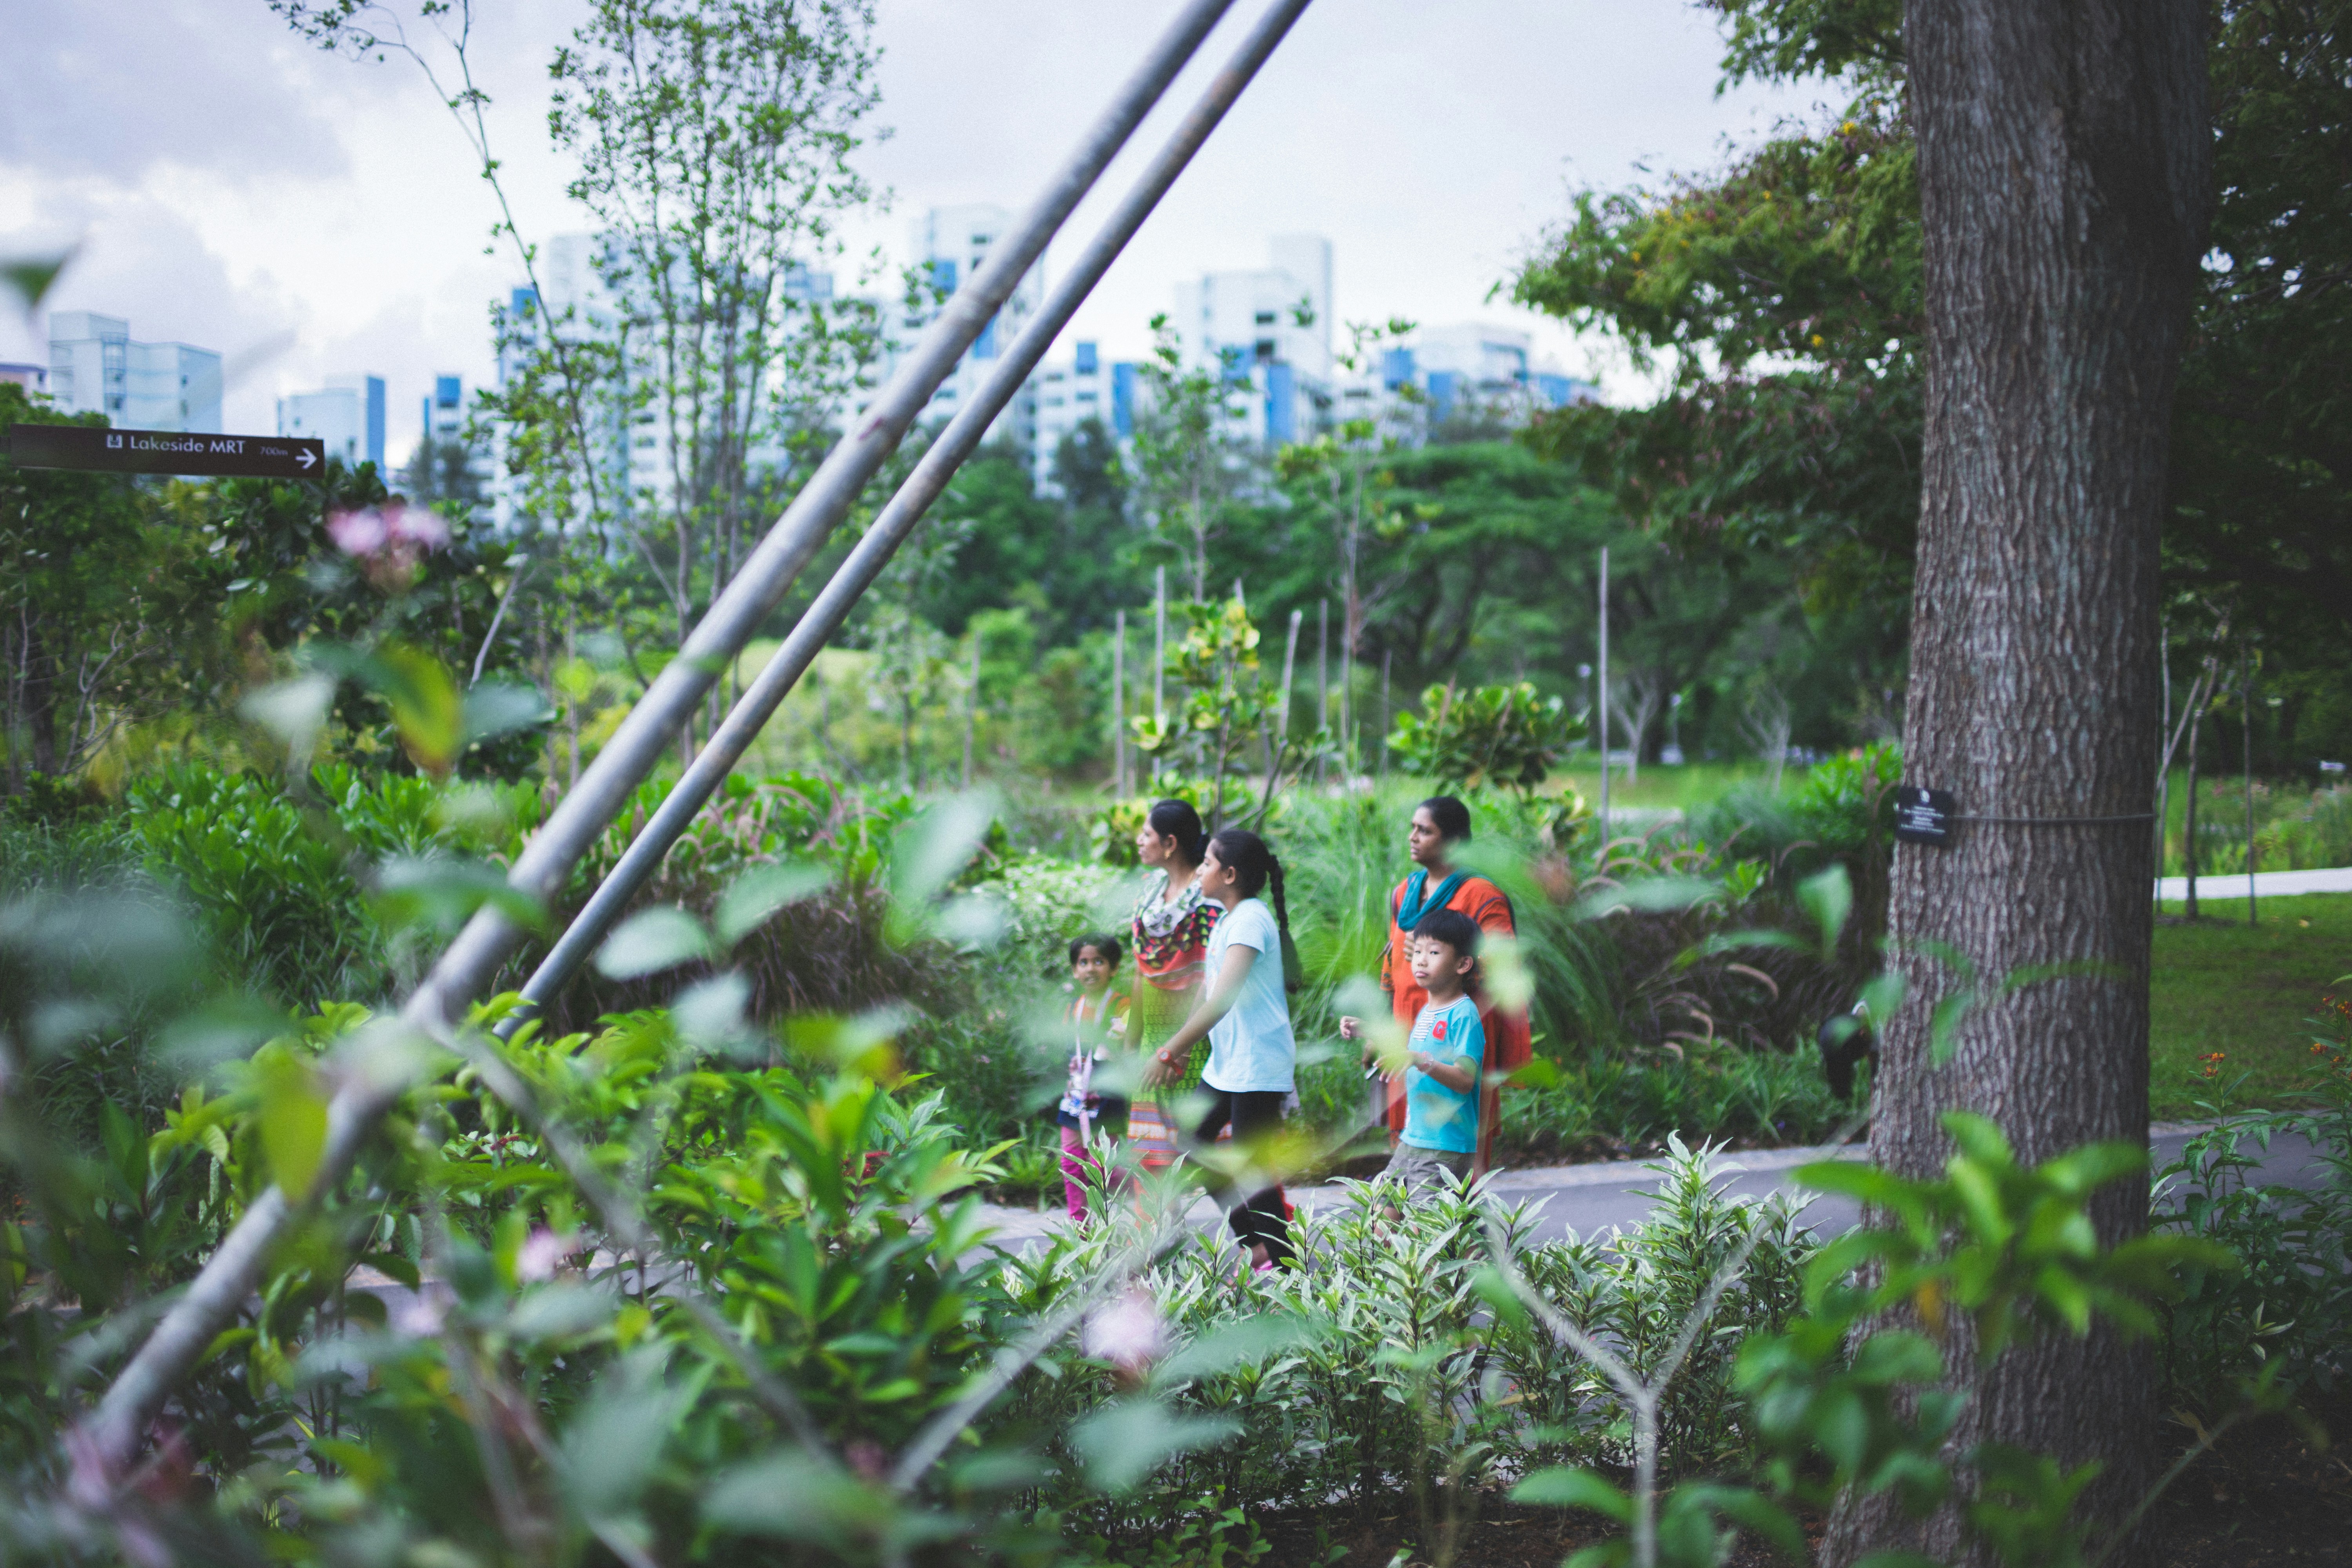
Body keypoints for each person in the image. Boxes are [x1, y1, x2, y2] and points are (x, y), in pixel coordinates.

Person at [1143, 827, 1302, 1271]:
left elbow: (1222, 1000)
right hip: (1229, 1064)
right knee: (1191, 1145)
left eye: (1208, 864)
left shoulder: (1251, 921)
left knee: (1253, 1171)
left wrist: (1166, 1052)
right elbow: (1208, 988)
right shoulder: (1230, 918)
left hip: (1258, 1064)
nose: (1200, 871)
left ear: (1230, 875)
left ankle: (1290, 1272)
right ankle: (1257, 1244)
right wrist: (1181, 1050)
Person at [1377, 796, 1532, 1176]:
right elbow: (1390, 965)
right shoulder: (1404, 892)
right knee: (1410, 1142)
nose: (1413, 837)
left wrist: (1445, 955)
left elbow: (1503, 966)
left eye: (1425, 830)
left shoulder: (1481, 895)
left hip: (1456, 1032)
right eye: (1413, 828)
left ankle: (1462, 1214)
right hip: (1410, 1029)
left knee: (1458, 1152)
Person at [1342, 908, 1486, 1198]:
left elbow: (1465, 1081)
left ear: (1463, 964)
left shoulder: (1464, 1015)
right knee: (1382, 1212)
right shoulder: (1428, 1011)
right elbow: (1411, 1053)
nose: (1421, 959)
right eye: (1418, 950)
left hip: (1445, 1144)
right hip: (1414, 1139)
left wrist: (1421, 1061)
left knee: (1426, 1222)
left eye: (1434, 952)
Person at [1123, 800, 1221, 1176]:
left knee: (1207, 1160)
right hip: (1153, 1036)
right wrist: (1132, 1044)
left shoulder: (1207, 899)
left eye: (1147, 834)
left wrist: (1179, 1051)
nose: (1139, 840)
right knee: (1152, 1162)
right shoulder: (1149, 895)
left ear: (1170, 844)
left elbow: (1211, 978)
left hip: (1195, 1039)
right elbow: (1140, 971)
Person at [1056, 933, 1130, 1223]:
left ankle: (1114, 1221)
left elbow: (1127, 1049)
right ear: (1075, 970)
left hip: (1107, 1096)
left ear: (1114, 968)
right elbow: (1069, 1049)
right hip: (1077, 1094)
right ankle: (1080, 1226)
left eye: (1099, 962)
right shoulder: (1073, 1009)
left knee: (1104, 1165)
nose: (1090, 969)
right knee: (1071, 1160)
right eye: (1083, 962)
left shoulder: (1123, 1007)